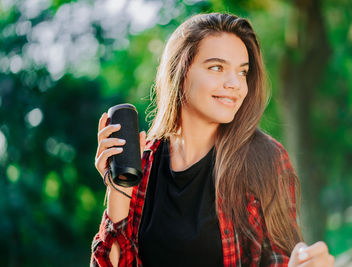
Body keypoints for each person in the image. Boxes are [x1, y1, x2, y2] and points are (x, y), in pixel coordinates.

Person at [91, 13, 334, 267]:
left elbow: (280, 258)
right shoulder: (144, 162)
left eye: (242, 72)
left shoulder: (265, 158)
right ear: (180, 72)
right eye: (217, 67)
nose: (235, 84)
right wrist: (117, 188)